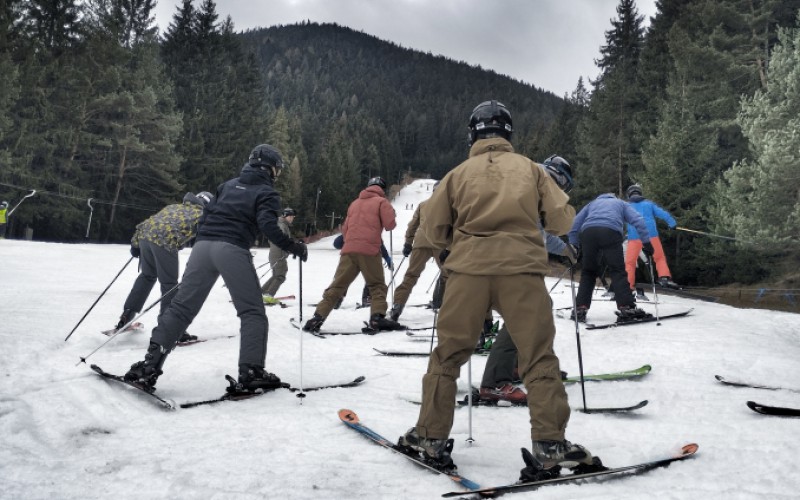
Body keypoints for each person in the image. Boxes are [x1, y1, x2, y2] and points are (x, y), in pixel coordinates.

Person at [399, 100, 597, 482]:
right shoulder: (532, 170)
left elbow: (432, 230)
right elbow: (562, 220)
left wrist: (454, 251)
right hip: (521, 271)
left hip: (467, 272)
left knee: (448, 357)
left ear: (472, 133)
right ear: (508, 133)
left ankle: (430, 437)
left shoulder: (457, 174)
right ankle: (550, 445)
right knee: (538, 356)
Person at [124, 144, 308, 392]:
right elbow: (267, 224)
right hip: (231, 249)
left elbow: (205, 216)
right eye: (278, 169)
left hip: (203, 248)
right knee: (252, 311)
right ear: (270, 169)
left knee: (180, 308)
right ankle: (252, 372)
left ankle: (148, 367)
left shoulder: (228, 185)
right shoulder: (266, 192)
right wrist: (292, 245)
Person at [479, 155, 578, 405]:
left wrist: (563, 249)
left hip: (501, 254)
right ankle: (495, 381)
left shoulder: (525, 177)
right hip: (511, 256)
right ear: (558, 176)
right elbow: (534, 231)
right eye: (563, 186)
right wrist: (564, 248)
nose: (560, 192)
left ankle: (516, 367)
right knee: (525, 314)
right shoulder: (538, 181)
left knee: (537, 309)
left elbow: (537, 231)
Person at [303, 177, 402, 333]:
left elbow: (345, 230)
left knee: (338, 285)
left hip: (349, 250)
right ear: (382, 189)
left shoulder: (355, 203)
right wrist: (391, 213)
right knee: (376, 285)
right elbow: (390, 225)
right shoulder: (382, 202)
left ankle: (317, 317)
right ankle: (377, 318)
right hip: (369, 251)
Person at [114, 192, 214, 343]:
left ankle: (126, 316)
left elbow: (146, 224)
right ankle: (170, 328)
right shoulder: (201, 214)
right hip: (165, 243)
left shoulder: (173, 207)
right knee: (169, 285)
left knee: (147, 276)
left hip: (145, 239)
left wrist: (136, 244)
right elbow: (205, 237)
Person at [568, 192, 654, 323]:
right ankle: (626, 307)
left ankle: (580, 308)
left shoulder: (592, 204)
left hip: (588, 233)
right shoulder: (620, 203)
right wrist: (647, 243)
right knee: (617, 270)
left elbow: (574, 225)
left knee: (588, 271)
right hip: (611, 232)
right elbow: (639, 221)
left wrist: (574, 246)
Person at [389, 187, 444, 322]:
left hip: (420, 242)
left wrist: (408, 243)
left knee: (411, 275)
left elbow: (412, 225)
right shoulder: (449, 204)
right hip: (440, 243)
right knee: (450, 276)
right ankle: (444, 305)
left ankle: (397, 306)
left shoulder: (423, 204)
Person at [624, 184, 678, 289]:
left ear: (629, 194)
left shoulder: (626, 206)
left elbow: (620, 219)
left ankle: (627, 285)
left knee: (630, 262)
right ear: (640, 193)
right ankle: (664, 277)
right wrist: (672, 224)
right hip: (651, 235)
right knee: (659, 257)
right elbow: (663, 213)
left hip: (634, 236)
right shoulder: (649, 204)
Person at [331, 233, 394, 309]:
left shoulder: (353, 229)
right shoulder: (371, 229)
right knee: (372, 275)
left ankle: (336, 298)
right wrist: (387, 258)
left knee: (344, 276)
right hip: (366, 256)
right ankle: (367, 298)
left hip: (353, 255)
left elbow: (337, 244)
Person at [261, 207, 296, 305]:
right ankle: (268, 295)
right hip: (279, 253)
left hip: (276, 253)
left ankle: (261, 293)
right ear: (285, 215)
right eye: (291, 216)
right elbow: (280, 240)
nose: (292, 218)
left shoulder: (281, 224)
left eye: (293, 217)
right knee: (280, 276)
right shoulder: (281, 225)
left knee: (276, 275)